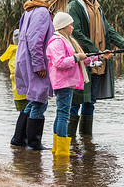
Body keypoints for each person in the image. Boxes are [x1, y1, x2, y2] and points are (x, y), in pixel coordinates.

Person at [67, 0, 124, 137]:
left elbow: (108, 29)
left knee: (90, 102)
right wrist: (96, 52)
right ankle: (69, 141)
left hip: (98, 61)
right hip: (82, 61)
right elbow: (75, 32)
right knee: (75, 102)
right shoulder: (74, 5)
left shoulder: (96, 4)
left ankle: (86, 140)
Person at [46, 12, 113, 156]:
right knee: (63, 115)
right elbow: (59, 62)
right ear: (63, 26)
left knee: (61, 114)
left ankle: (58, 149)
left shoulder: (67, 40)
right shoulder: (57, 41)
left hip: (67, 83)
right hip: (63, 83)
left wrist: (100, 55)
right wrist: (76, 57)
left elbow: (83, 59)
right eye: (70, 25)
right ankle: (62, 151)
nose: (72, 27)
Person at [15, 0, 71, 150]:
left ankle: (19, 139)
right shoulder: (42, 13)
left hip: (25, 59)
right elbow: (35, 41)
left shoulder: (31, 10)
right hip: (34, 61)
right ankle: (33, 143)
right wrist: (39, 65)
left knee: (32, 100)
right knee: (40, 100)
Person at [0, 29, 30, 146]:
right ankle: (17, 139)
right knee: (25, 112)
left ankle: (22, 138)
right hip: (21, 90)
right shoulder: (18, 53)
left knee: (26, 112)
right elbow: (18, 72)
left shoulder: (16, 52)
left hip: (20, 89)